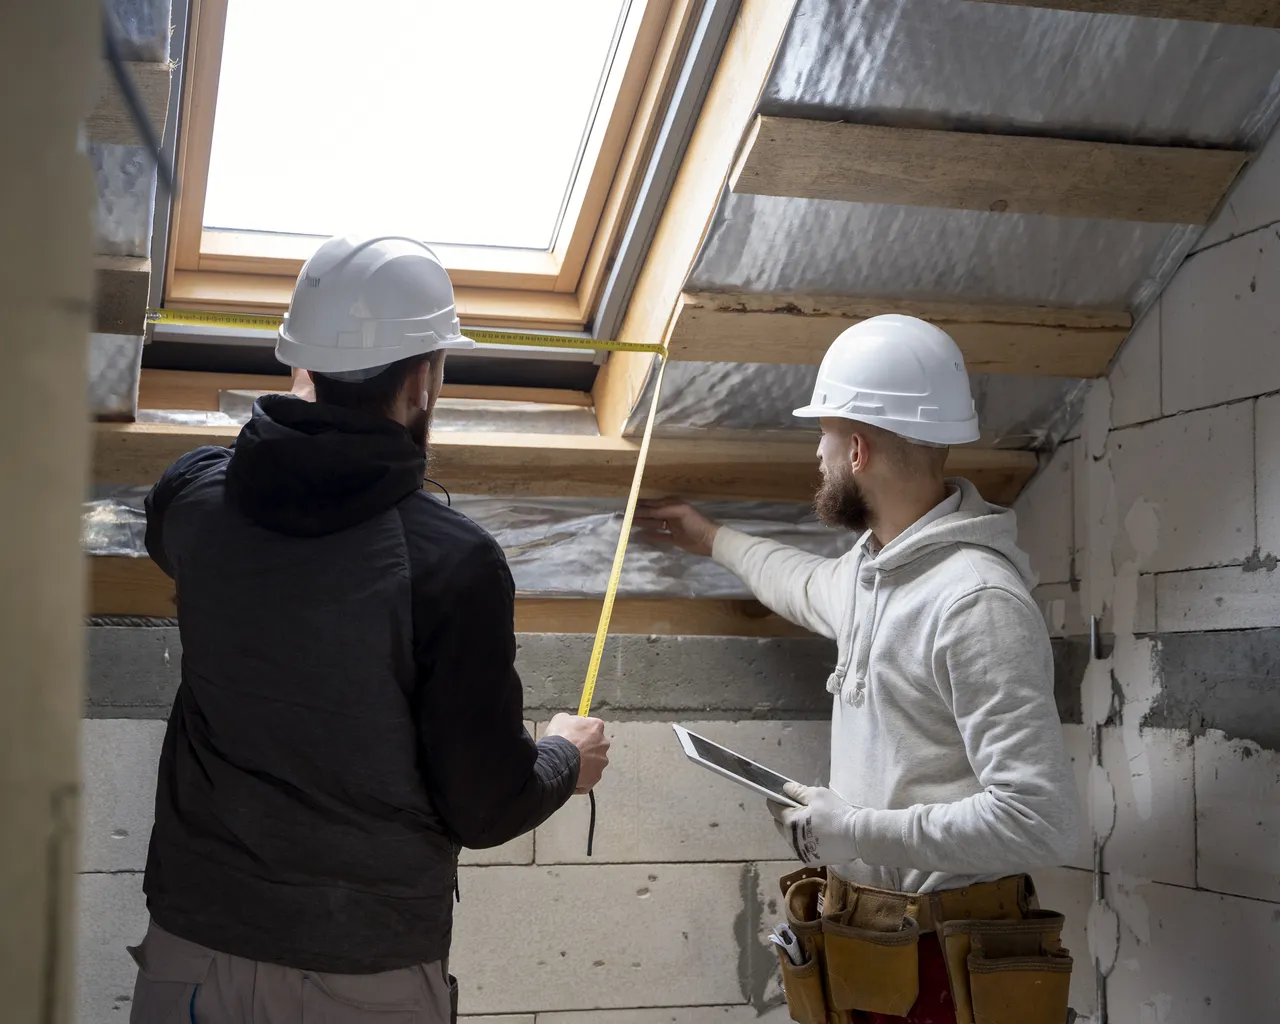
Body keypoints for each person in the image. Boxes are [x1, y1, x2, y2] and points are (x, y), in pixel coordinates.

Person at [131, 235, 610, 1024]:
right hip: (361, 975)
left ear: (300, 368)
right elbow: (485, 807)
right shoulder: (453, 564)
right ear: (423, 380)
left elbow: (193, 518)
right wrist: (566, 757)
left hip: (190, 949)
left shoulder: (194, 501)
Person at [637, 315, 1079, 1024]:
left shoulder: (975, 601)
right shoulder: (875, 572)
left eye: (825, 435)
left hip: (949, 961)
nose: (817, 454)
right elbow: (803, 584)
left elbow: (1041, 821)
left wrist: (860, 830)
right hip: (880, 948)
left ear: (859, 450)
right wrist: (710, 538)